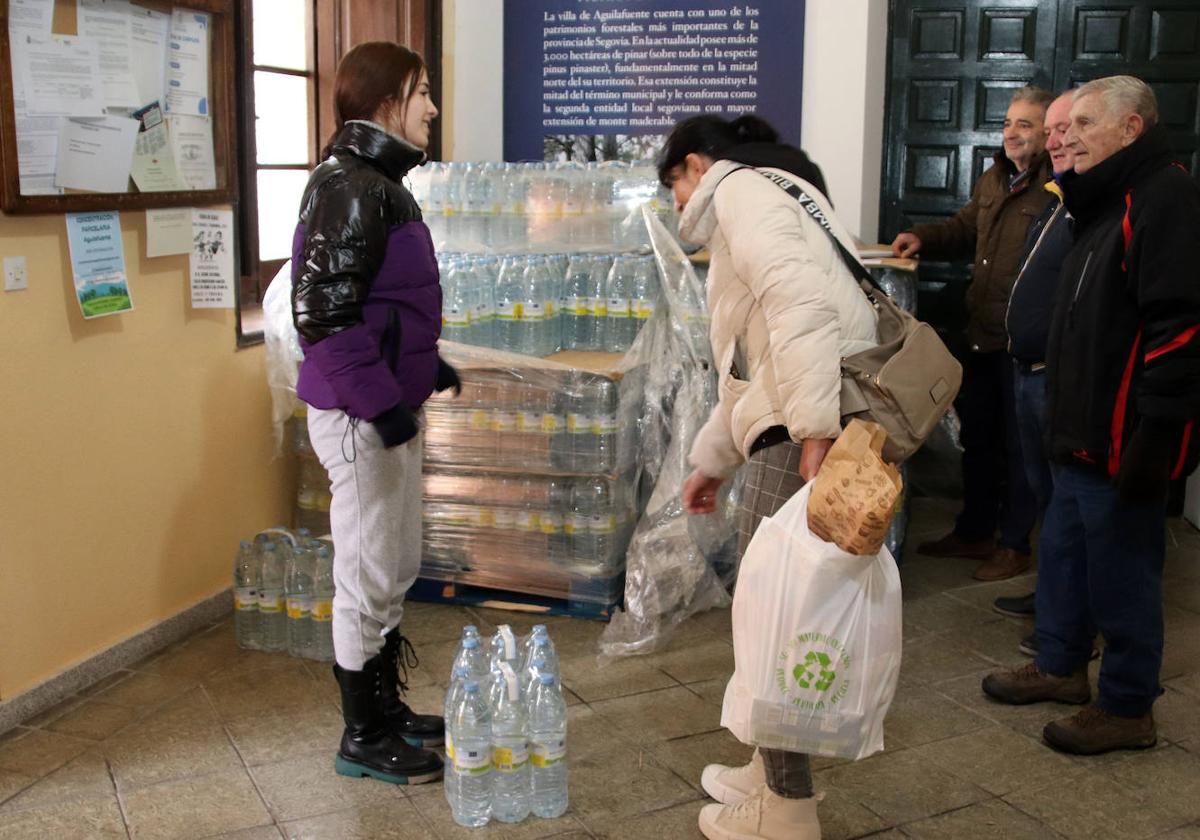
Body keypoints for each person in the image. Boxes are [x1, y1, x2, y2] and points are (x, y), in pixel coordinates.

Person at [665, 114, 878, 840]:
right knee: (777, 613)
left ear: (696, 164)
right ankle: (768, 772)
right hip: (801, 418)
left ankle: (786, 810)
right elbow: (751, 361)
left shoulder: (741, 192)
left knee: (779, 620)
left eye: (673, 185)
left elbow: (799, 307)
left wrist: (814, 428)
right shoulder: (788, 191)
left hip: (803, 430)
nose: (675, 204)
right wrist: (712, 460)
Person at [982, 76, 1200, 755]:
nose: (1063, 135)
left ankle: (1128, 706)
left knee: (1123, 571)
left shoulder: (1165, 199)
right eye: (1062, 124)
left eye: (1082, 123)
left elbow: (1181, 327)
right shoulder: (1100, 203)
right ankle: (1059, 667)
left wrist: (1157, 435)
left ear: (1131, 128)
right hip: (1076, 433)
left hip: (1122, 440)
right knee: (1065, 555)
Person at [291, 41, 459, 785]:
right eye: (422, 92)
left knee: (394, 565)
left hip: (385, 401)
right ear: (387, 100)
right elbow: (323, 315)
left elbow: (383, 302)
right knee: (366, 571)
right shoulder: (350, 184)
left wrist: (425, 365)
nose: (431, 107)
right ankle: (362, 735)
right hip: (361, 413)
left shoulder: (378, 181)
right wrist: (381, 402)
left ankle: (383, 709)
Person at [892, 88, 1055, 581]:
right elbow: (965, 227)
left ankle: (1014, 545)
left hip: (1024, 344)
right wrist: (923, 236)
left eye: (1024, 124)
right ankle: (974, 532)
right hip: (982, 336)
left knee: (1022, 450)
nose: (1011, 132)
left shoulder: (1057, 187)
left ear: (1050, 133)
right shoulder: (995, 179)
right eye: (1008, 122)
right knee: (980, 441)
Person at [991, 91, 1075, 641]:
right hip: (1020, 359)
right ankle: (1053, 596)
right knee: (1045, 490)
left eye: (1076, 127)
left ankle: (1068, 620)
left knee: (1065, 501)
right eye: (1009, 122)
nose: (1062, 139)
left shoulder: (1085, 195)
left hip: (1056, 372)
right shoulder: (1048, 190)